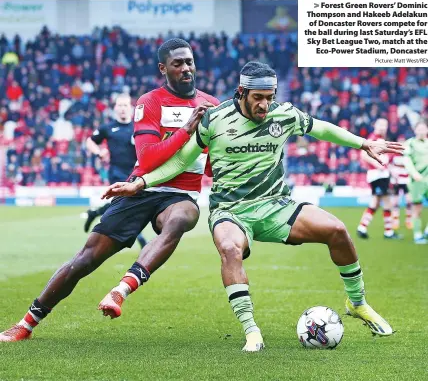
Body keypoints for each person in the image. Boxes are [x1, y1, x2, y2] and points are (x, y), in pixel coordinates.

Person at [103, 62, 403, 352]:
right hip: (230, 211)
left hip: (276, 205)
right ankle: (251, 330)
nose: (264, 105)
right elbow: (182, 160)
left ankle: (358, 303)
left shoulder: (283, 114)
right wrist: (139, 183)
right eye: (258, 98)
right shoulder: (214, 119)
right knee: (230, 250)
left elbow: (321, 129)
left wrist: (364, 143)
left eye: (270, 98)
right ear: (241, 92)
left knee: (337, 230)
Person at [0, 38, 218, 342]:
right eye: (177, 63)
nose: (185, 68)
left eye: (189, 62)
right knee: (85, 259)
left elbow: (211, 165)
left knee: (181, 219)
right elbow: (148, 157)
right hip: (138, 189)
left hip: (180, 195)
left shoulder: (212, 105)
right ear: (163, 68)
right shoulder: (150, 101)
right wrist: (187, 129)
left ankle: (121, 290)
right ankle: (26, 323)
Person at [83, 93, 147, 248]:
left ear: (131, 108)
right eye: (120, 105)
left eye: (126, 105)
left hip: (136, 173)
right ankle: (141, 240)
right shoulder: (108, 128)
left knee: (127, 205)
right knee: (126, 203)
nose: (123, 108)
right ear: (115, 108)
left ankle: (95, 213)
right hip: (116, 172)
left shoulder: (138, 127)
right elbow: (90, 141)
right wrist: (99, 152)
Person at [356, 118, 402, 240]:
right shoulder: (373, 138)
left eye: (385, 125)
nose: (383, 127)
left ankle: (362, 227)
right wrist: (378, 165)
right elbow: (363, 155)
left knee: (376, 202)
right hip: (377, 174)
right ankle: (388, 231)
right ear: (375, 125)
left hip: (381, 175)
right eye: (380, 124)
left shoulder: (381, 139)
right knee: (386, 201)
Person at [404, 119, 428, 244]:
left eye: (423, 128)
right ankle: (417, 234)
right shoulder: (410, 143)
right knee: (417, 208)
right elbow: (406, 160)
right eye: (419, 129)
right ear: (415, 130)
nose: (421, 131)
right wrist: (414, 174)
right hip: (417, 180)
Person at [389, 136, 412, 231]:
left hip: (406, 180)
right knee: (395, 202)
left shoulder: (408, 154)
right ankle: (395, 221)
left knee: (409, 201)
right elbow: (388, 164)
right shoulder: (394, 154)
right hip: (396, 181)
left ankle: (409, 220)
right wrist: (393, 173)